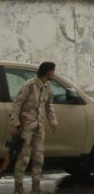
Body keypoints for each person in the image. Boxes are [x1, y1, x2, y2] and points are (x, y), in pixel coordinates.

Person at [11, 62, 59, 194]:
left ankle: (36, 186)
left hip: (39, 126)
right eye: (53, 71)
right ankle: (18, 187)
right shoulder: (30, 85)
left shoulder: (47, 86)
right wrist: (15, 124)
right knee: (24, 157)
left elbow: (49, 106)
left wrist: (53, 121)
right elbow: (17, 104)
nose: (54, 74)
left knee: (39, 156)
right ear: (48, 72)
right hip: (26, 126)